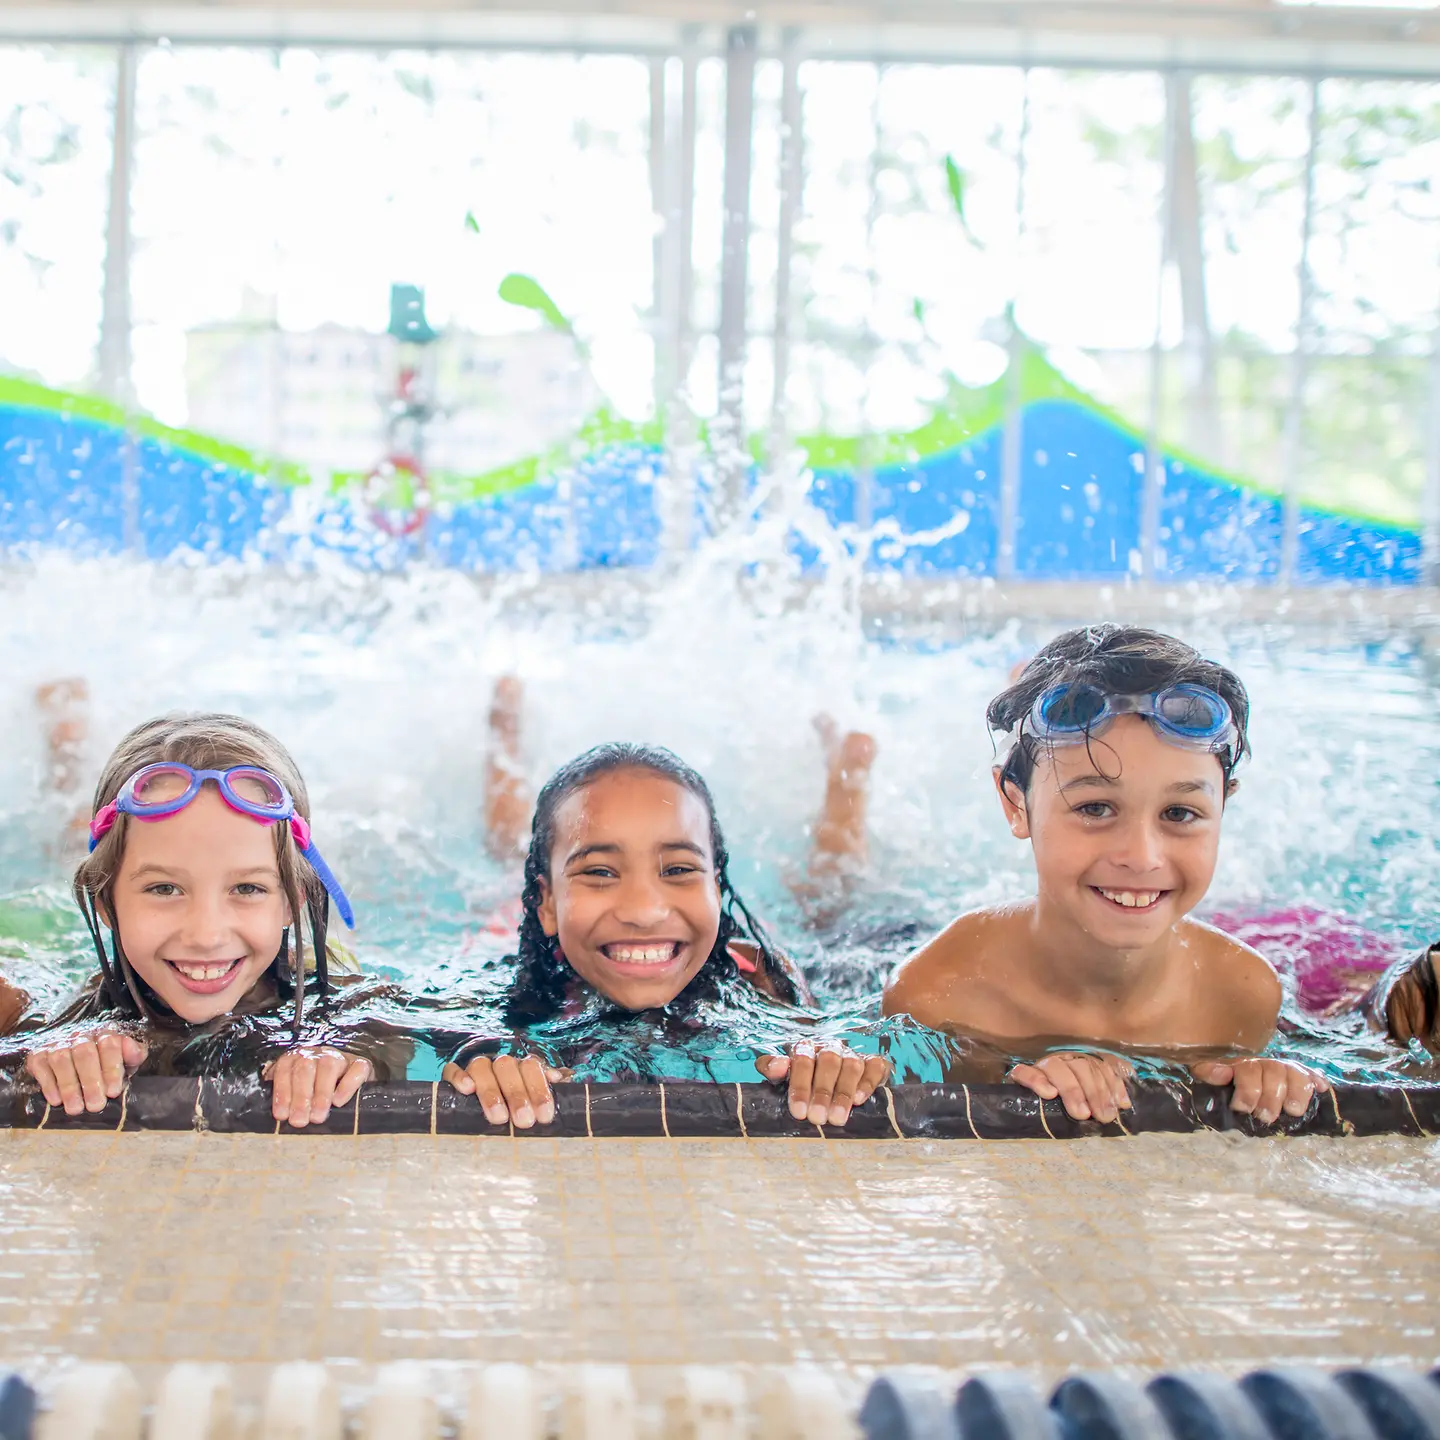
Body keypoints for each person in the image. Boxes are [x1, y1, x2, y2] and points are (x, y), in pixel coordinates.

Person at [883, 624, 1328, 1125]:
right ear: (1015, 804)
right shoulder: (937, 993)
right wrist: (1015, 1083)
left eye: (1179, 814)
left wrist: (1271, 1081)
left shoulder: (1242, 996)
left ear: (1223, 807)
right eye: (1095, 808)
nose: (1141, 857)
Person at [444, 742, 891, 1129]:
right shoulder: (502, 993)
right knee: (506, 856)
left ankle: (847, 783)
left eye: (679, 869)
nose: (645, 912)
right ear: (547, 905)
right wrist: (487, 1065)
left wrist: (830, 1062)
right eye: (599, 871)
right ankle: (504, 736)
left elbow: (819, 1042)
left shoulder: (758, 973)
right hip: (509, 923)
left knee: (830, 900)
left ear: (716, 889)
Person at [6, 713, 410, 1128]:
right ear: (104, 902)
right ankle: (68, 744)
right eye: (164, 888)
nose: (206, 935)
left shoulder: (338, 999)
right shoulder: (72, 1007)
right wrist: (53, 1052)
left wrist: (352, 1055)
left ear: (293, 901)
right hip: (53, 932)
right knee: (67, 850)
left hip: (306, 962)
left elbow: (391, 1039)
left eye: (248, 888)